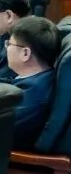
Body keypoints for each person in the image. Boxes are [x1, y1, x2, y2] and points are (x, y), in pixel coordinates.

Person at [5, 16, 59, 150]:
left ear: (25, 53)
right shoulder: (38, 79)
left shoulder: (33, 95)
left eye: (9, 44)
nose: (6, 48)